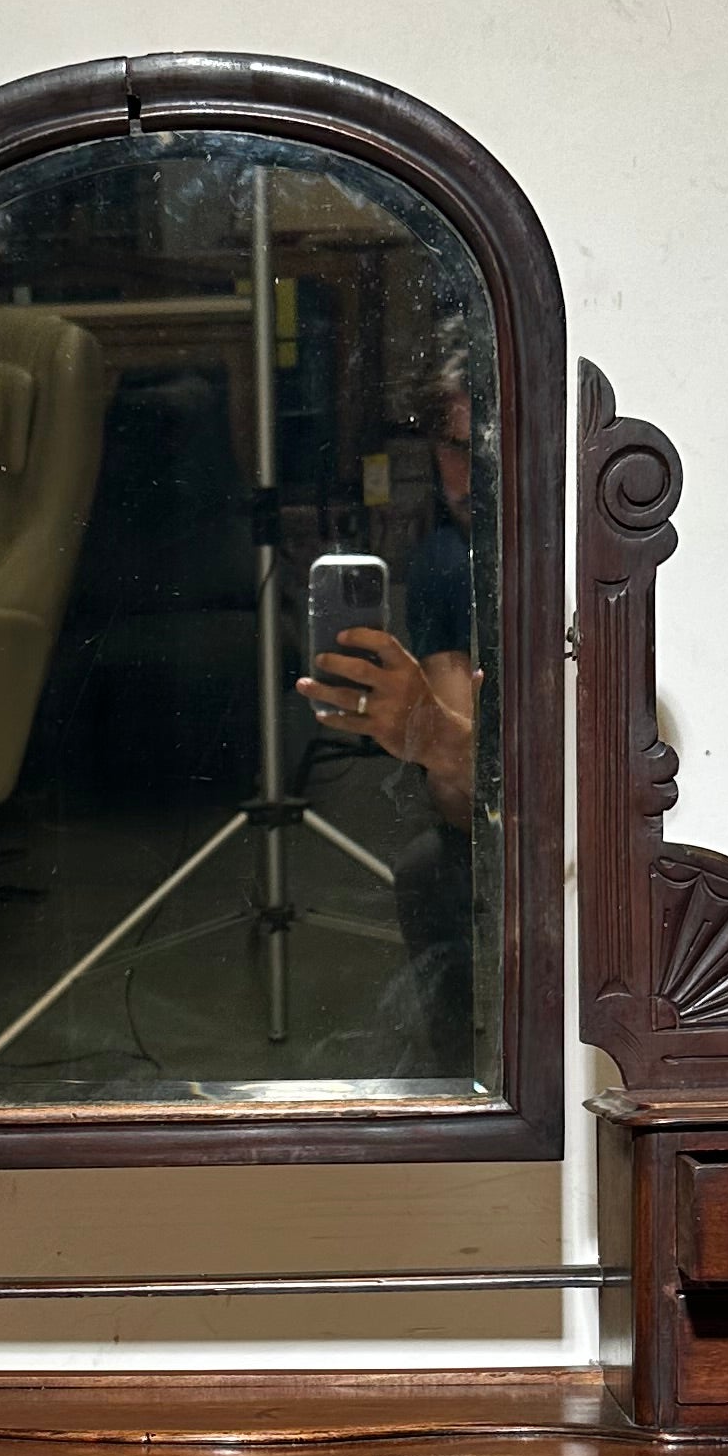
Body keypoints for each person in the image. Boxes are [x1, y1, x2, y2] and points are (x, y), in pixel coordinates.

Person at [295, 365, 483, 1066]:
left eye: (490, 449)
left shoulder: (591, 548)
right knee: (431, 868)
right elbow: (466, 810)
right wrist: (435, 737)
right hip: (524, 827)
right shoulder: (447, 561)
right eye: (456, 448)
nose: (472, 476)